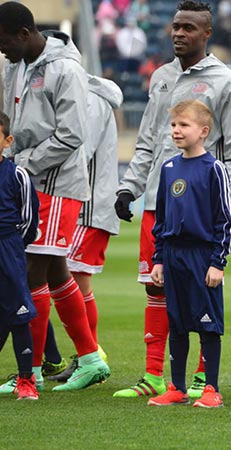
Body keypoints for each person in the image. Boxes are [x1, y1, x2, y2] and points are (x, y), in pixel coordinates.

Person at [114, 0, 231, 399]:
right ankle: (157, 375)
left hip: (203, 207)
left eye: (188, 28)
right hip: (161, 202)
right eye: (176, 26)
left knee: (203, 294)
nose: (178, 33)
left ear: (206, 33)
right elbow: (147, 143)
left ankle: (203, 380)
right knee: (156, 289)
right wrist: (129, 188)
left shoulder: (226, 81)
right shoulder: (159, 77)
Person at [0, 1, 110, 392]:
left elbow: (72, 134)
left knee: (31, 271)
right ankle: (92, 357)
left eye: (6, 42)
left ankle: (30, 373)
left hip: (58, 182)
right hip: (29, 182)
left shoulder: (65, 69)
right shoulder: (13, 66)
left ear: (25, 34)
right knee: (55, 270)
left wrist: (23, 162)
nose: (3, 50)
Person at [145, 99, 231, 409]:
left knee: (208, 323)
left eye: (183, 125)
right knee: (178, 322)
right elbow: (161, 218)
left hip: (202, 255)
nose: (176, 130)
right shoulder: (169, 168)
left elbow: (225, 219)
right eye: (173, 125)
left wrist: (217, 262)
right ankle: (177, 387)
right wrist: (158, 258)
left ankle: (212, 388)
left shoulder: (214, 169)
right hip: (173, 255)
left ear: (203, 131)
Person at [45, 75, 124, 383]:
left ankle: (89, 354)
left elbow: (78, 150)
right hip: (87, 203)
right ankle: (88, 353)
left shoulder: (90, 101)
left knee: (72, 280)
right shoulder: (86, 97)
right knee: (74, 281)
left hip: (88, 205)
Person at [0, 111, 40, 400]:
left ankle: (26, 380)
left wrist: (13, 246)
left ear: (7, 140)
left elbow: (29, 220)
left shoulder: (16, 174)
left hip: (7, 246)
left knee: (19, 313)